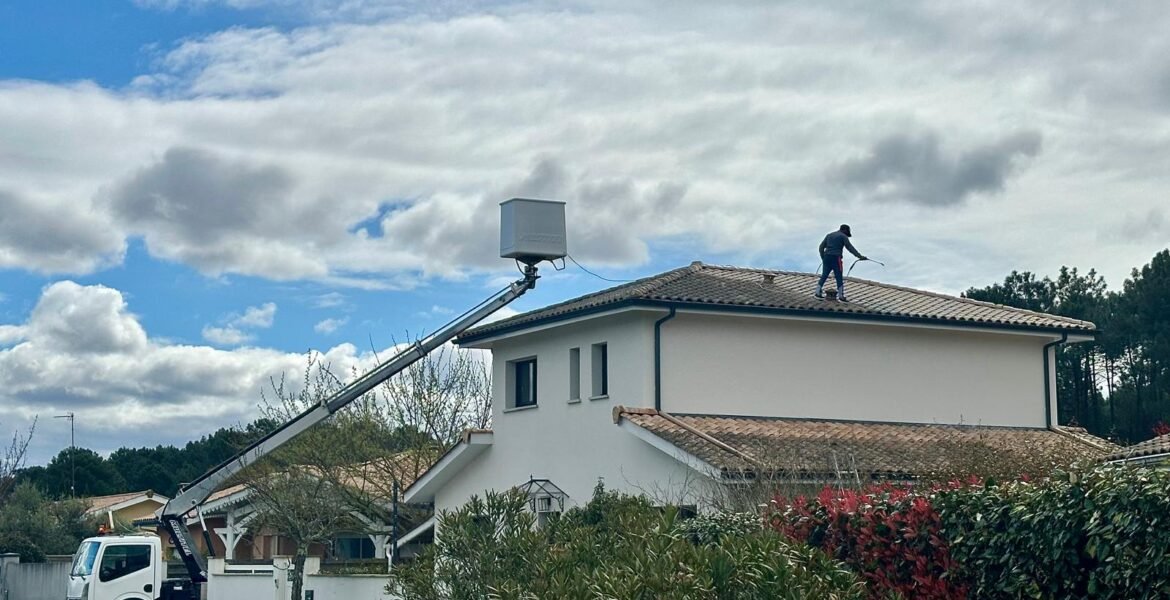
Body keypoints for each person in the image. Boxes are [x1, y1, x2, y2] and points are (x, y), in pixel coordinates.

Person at [815, 224, 866, 302]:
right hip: (836, 258)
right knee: (839, 276)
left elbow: (821, 247)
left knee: (824, 275)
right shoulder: (843, 236)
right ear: (845, 230)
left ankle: (817, 292)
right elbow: (849, 247)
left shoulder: (829, 235)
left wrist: (823, 258)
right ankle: (841, 296)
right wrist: (860, 256)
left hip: (827, 257)